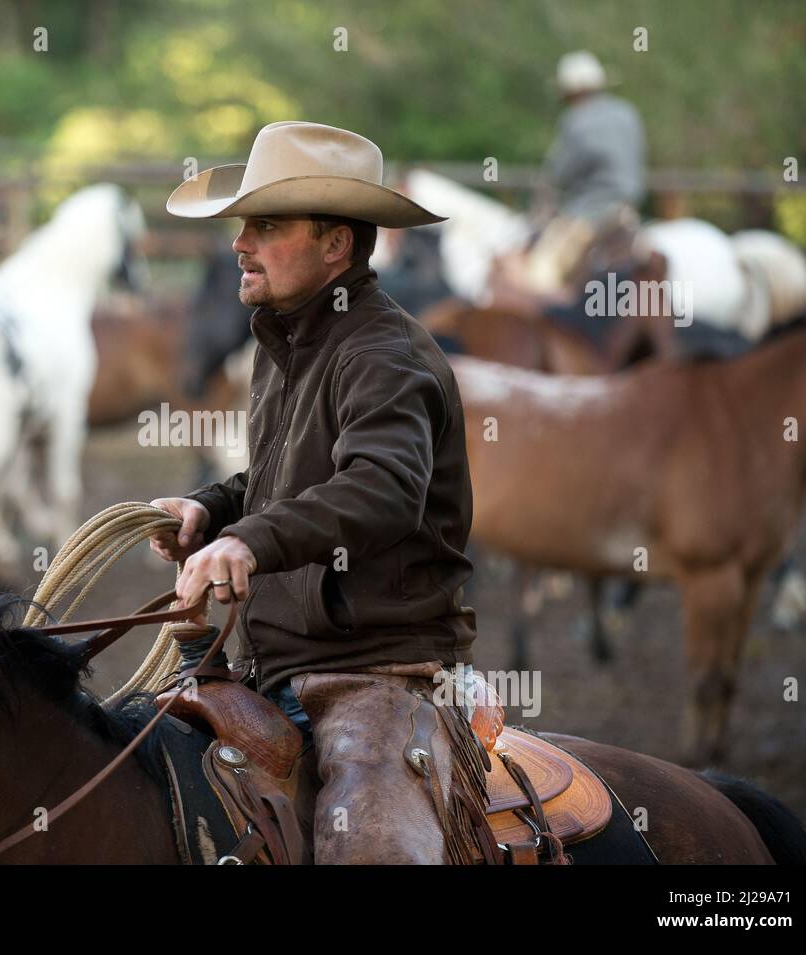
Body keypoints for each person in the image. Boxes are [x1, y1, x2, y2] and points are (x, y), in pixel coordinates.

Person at [150, 121, 493, 864]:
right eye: (245, 225)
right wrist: (212, 508)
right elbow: (279, 483)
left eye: (266, 226)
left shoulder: (383, 352)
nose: (241, 243)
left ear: (335, 245)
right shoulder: (285, 341)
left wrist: (251, 540)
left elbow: (382, 488)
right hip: (274, 663)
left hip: (375, 670)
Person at [526, 50, 647, 293]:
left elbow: (558, 174)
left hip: (590, 215)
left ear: (571, 93)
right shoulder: (628, 113)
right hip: (629, 210)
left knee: (538, 276)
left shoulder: (576, 120)